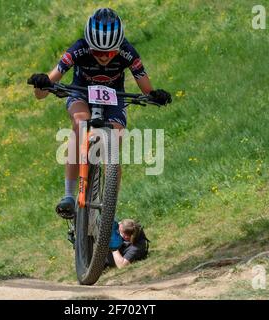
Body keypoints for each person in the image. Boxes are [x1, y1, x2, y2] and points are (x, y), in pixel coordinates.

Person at [27, 8, 172, 219]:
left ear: (119, 46)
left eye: (110, 53)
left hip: (113, 99)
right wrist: (41, 84)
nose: (104, 57)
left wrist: (155, 95)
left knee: (113, 142)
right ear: (89, 45)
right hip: (81, 94)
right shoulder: (79, 48)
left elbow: (146, 89)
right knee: (80, 123)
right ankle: (68, 195)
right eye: (98, 52)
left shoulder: (128, 52)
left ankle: (108, 214)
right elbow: (43, 90)